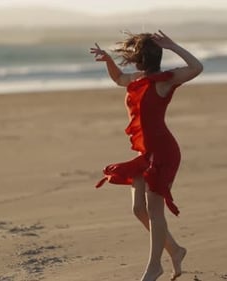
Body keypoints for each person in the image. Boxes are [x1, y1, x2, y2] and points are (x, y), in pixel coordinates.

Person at [90, 30, 203, 281]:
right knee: (138, 208)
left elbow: (197, 67)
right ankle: (175, 250)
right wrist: (108, 60)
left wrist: (174, 45)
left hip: (163, 153)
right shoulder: (139, 79)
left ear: (141, 59)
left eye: (134, 55)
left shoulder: (165, 80)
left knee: (154, 210)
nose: (130, 60)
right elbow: (118, 78)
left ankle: (154, 267)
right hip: (147, 152)